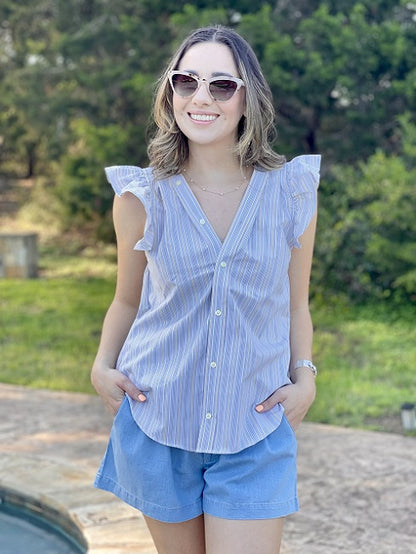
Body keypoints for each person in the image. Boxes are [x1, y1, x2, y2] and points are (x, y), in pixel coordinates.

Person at [91, 25, 320, 554]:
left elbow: (296, 303)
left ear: (247, 97)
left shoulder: (291, 193)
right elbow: (127, 299)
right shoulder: (139, 198)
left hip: (254, 428)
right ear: (170, 92)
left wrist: (305, 376)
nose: (201, 97)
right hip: (158, 423)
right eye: (186, 81)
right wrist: (102, 365)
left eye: (221, 84)